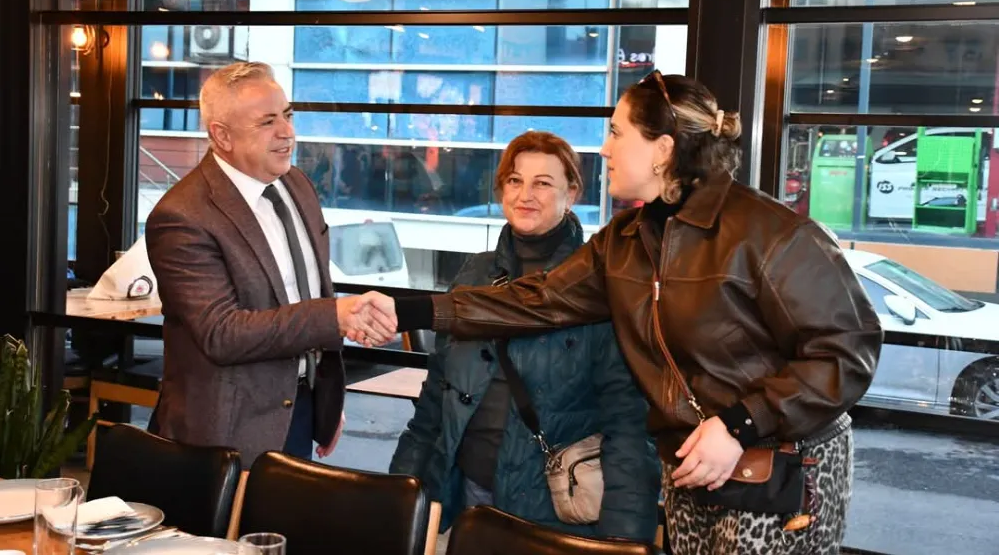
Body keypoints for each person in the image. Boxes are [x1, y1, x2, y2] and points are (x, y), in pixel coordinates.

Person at [358, 72, 883, 554]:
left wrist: (739, 424)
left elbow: (847, 351)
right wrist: (408, 310)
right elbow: (535, 300)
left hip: (779, 471)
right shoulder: (626, 241)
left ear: (662, 150)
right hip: (694, 470)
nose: (604, 149)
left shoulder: (771, 234)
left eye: (616, 133)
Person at [389, 131, 661, 547]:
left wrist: (622, 542)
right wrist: (397, 500)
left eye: (543, 183)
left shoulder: (598, 285)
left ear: (572, 193)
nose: (525, 195)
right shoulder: (475, 275)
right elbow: (433, 405)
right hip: (467, 500)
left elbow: (628, 429)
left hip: (554, 515)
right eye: (515, 180)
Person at [145, 62, 394, 467]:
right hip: (226, 433)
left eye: (288, 115)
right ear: (222, 135)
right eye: (267, 122)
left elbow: (308, 291)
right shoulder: (182, 216)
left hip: (301, 409)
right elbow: (222, 333)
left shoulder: (297, 184)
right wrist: (334, 316)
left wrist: (324, 398)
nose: (287, 132)